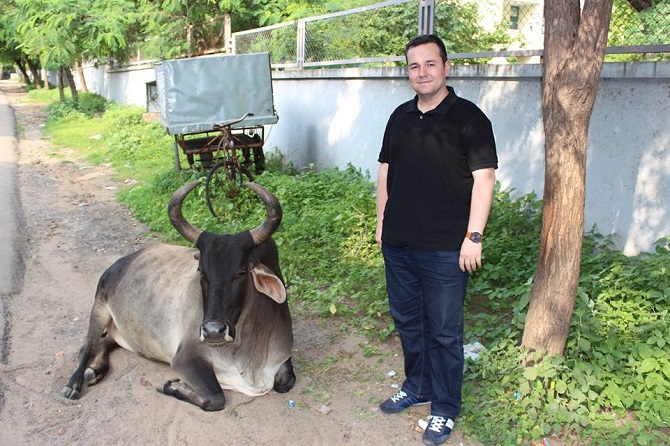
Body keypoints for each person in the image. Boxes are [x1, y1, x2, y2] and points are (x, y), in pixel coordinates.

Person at [375, 34, 498, 445]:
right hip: (399, 243)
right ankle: (419, 386)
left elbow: (484, 180)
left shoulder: (469, 118)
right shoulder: (399, 117)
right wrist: (381, 222)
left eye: (430, 64)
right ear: (407, 72)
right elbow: (385, 172)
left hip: (447, 248)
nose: (422, 72)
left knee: (444, 330)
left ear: (447, 68)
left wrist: (473, 237)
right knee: (409, 321)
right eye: (414, 66)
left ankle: (444, 408)